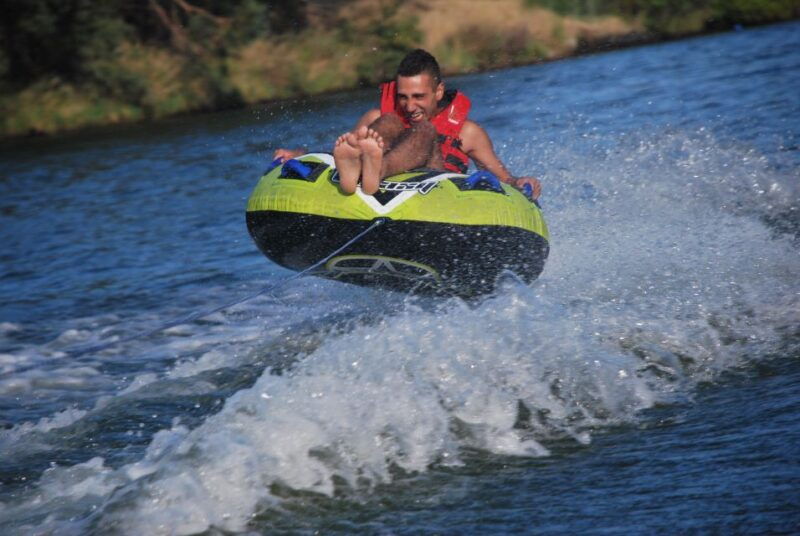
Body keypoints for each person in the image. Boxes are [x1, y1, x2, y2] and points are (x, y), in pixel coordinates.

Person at [273, 49, 541, 198]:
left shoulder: (469, 133)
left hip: (434, 187)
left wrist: (521, 182)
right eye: (403, 97)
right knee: (386, 120)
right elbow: (344, 153)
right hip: (380, 186)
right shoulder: (377, 117)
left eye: (418, 97)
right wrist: (302, 156)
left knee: (425, 129)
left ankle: (375, 172)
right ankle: (366, 174)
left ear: (438, 91)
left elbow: (504, 179)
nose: (410, 107)